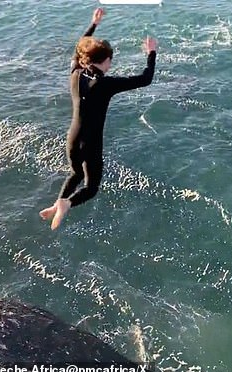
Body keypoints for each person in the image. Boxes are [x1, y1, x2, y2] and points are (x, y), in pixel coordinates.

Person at [40, 8, 157, 230]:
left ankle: (57, 205)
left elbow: (79, 47)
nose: (110, 64)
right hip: (91, 143)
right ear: (105, 61)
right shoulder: (105, 84)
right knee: (91, 187)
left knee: (75, 173)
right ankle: (66, 204)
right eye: (110, 61)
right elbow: (145, 79)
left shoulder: (75, 73)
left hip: (72, 140)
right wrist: (151, 53)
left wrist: (94, 24)